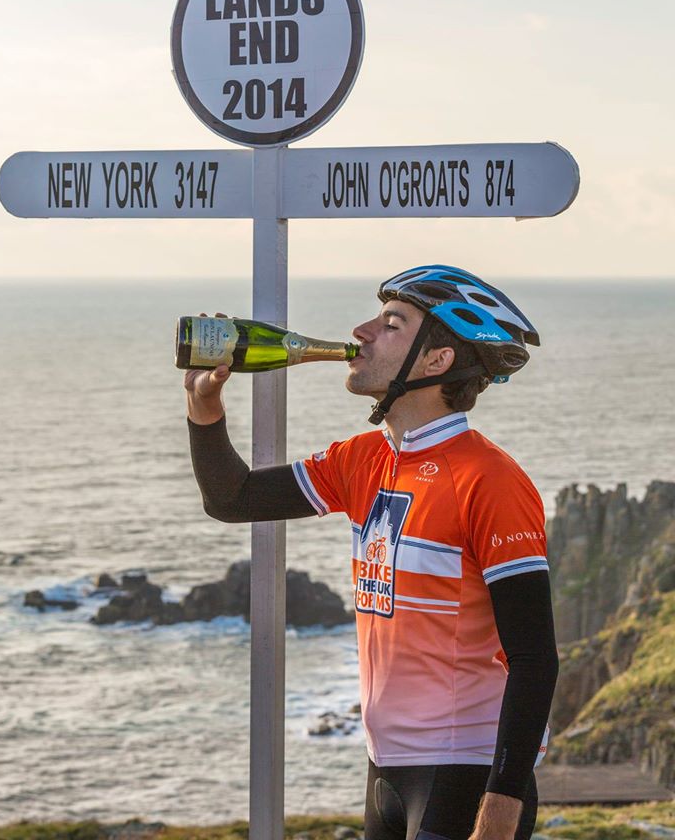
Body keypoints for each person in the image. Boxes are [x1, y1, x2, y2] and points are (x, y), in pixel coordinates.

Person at [184, 265, 559, 840]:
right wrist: (204, 406)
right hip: (385, 768)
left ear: (436, 363)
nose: (360, 331)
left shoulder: (490, 480)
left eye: (390, 324)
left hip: (466, 770)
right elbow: (231, 498)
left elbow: (535, 660)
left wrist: (500, 816)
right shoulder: (364, 459)